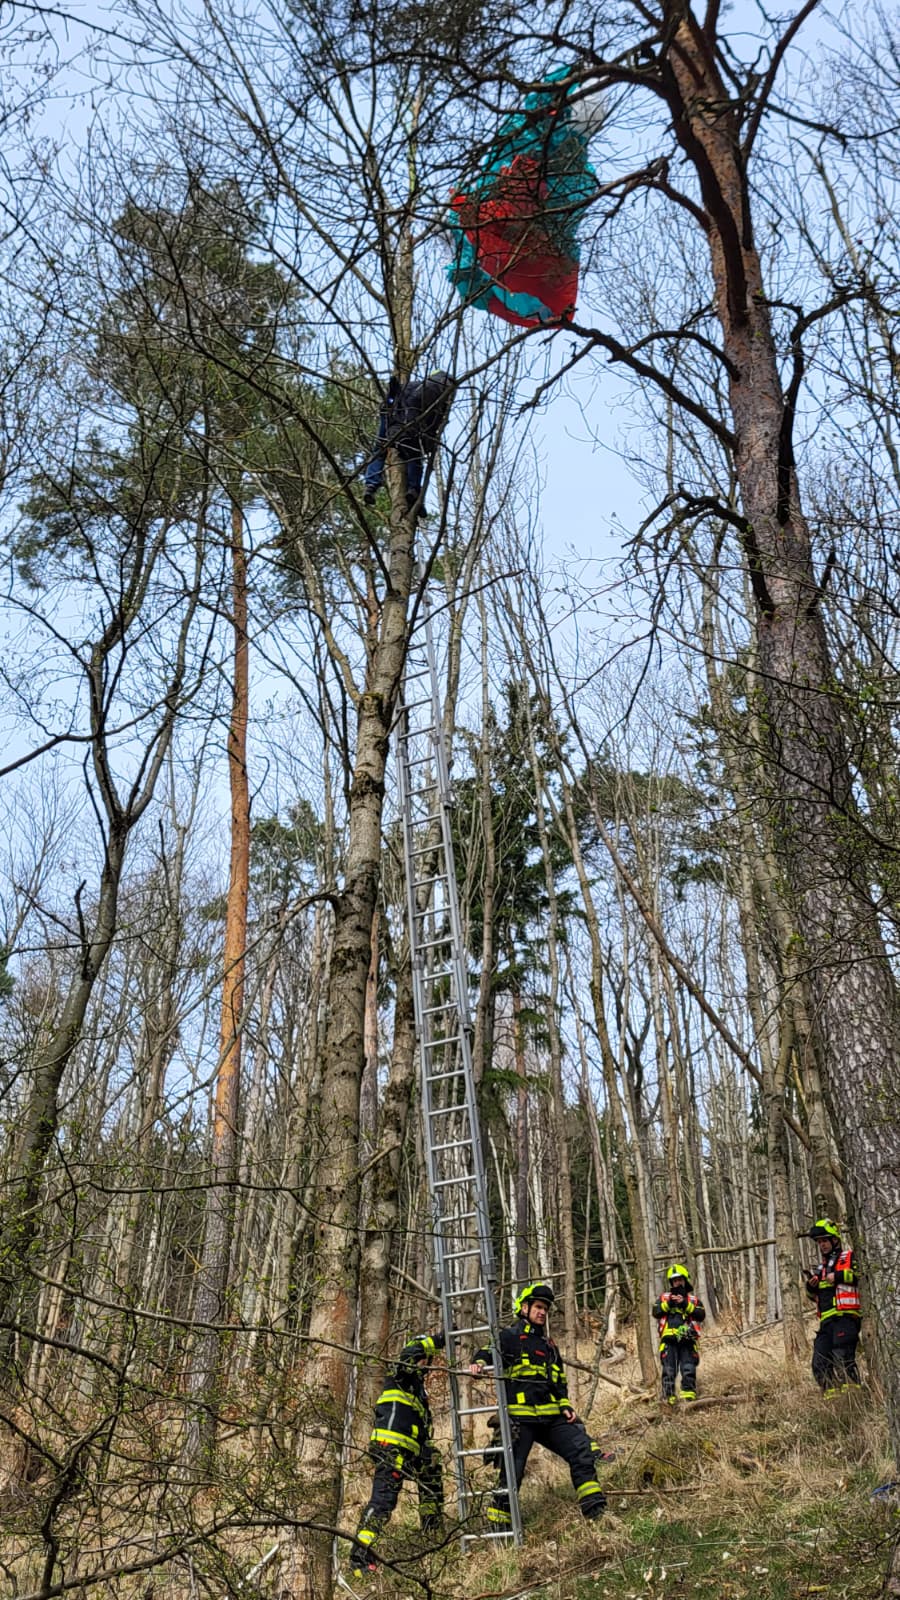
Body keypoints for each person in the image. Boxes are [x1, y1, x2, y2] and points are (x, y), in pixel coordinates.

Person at [467, 1281, 606, 1529]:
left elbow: (558, 1381)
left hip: (550, 1417)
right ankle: (500, 1529)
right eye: (539, 1307)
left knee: (582, 1452)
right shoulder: (509, 1337)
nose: (542, 1312)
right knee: (512, 1472)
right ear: (524, 1308)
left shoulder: (548, 1345)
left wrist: (565, 1405)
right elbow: (488, 1352)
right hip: (520, 1420)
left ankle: (597, 1514)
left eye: (546, 1309)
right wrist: (478, 1362)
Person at [348, 1332, 445, 1575]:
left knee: (432, 1471)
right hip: (390, 1448)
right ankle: (360, 1556)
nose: (425, 1363)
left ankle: (432, 1531)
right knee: (384, 1501)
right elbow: (410, 1354)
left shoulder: (419, 1392)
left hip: (409, 1452)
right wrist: (438, 1340)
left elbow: (419, 1432)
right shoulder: (400, 1373)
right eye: (425, 1358)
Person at [363, 370, 454, 514]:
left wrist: (390, 404)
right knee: (414, 457)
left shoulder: (416, 385)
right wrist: (429, 443)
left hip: (390, 418)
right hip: (410, 427)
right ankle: (413, 490)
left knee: (379, 450)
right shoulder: (441, 399)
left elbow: (393, 397)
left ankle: (371, 485)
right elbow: (433, 425)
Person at [805, 1219, 862, 1397]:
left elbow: (861, 1276)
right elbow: (812, 1297)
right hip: (826, 1321)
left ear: (834, 1240)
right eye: (819, 1242)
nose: (821, 1245)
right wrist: (810, 1287)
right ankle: (832, 1399)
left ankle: (854, 1397)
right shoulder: (820, 1269)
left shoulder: (849, 1257)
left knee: (842, 1356)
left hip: (846, 1317)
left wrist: (838, 1275)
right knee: (819, 1361)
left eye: (824, 1241)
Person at [652, 1264, 705, 1404]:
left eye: (680, 1280)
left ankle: (689, 1395)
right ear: (671, 1283)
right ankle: (668, 1397)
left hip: (688, 1339)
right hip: (669, 1340)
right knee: (668, 1369)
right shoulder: (664, 1298)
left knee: (688, 1367)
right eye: (675, 1281)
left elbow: (701, 1315)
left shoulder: (693, 1300)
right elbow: (655, 1312)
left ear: (685, 1280)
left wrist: (684, 1304)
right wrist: (669, 1304)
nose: (677, 1283)